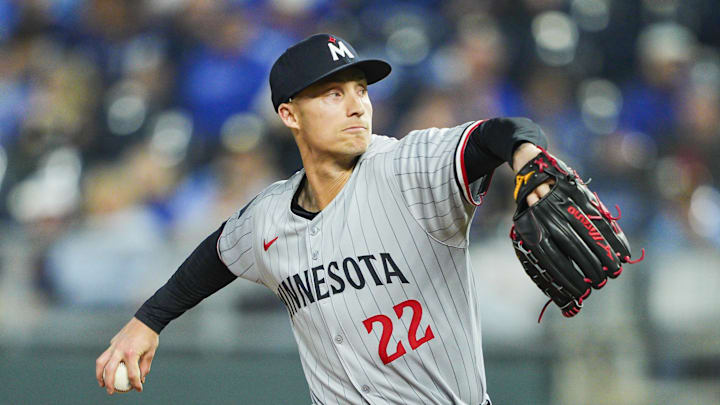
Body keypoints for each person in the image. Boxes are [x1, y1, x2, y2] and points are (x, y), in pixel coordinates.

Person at [96, 33, 553, 405]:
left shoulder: (408, 167)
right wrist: (148, 321)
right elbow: (215, 255)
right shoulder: (268, 217)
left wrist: (528, 158)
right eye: (334, 94)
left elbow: (499, 132)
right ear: (289, 114)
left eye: (361, 91)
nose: (358, 106)